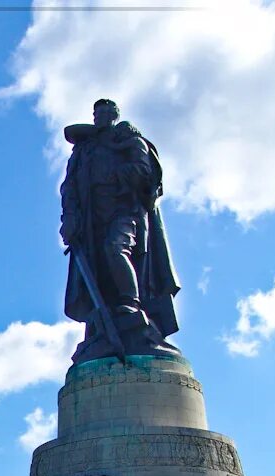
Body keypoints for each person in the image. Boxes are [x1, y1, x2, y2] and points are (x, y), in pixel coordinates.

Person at [59, 99, 182, 362]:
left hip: (125, 210)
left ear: (115, 115)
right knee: (98, 268)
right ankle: (104, 321)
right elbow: (69, 186)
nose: (101, 117)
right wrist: (69, 216)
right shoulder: (84, 150)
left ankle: (131, 306)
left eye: (106, 112)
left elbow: (145, 172)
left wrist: (112, 176)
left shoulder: (129, 141)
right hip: (92, 219)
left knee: (116, 249)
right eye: (97, 113)